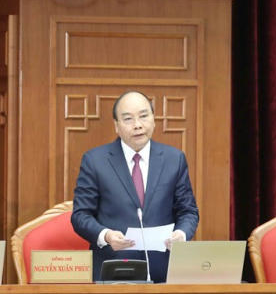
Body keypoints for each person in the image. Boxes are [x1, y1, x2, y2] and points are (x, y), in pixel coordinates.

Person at [71, 91, 199, 282]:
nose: (138, 125)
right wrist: (106, 236)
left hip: (165, 273)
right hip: (113, 270)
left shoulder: (174, 159)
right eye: (128, 119)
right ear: (116, 126)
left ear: (154, 120)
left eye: (144, 116)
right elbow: (80, 215)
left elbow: (188, 211)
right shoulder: (95, 160)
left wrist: (181, 235)